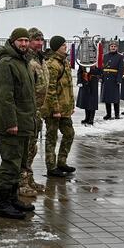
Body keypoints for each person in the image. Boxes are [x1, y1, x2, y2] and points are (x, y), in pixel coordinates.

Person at [0, 28, 37, 219]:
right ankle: (3, 204)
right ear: (12, 42)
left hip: (25, 123)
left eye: (26, 40)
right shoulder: (7, 63)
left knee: (18, 164)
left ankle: (12, 199)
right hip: (13, 125)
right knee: (9, 164)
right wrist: (10, 122)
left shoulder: (24, 62)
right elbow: (5, 97)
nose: (24, 44)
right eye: (20, 40)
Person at [20, 27, 49, 197]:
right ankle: (21, 182)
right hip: (28, 111)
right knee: (25, 148)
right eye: (35, 40)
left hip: (38, 111)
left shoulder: (40, 59)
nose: (39, 43)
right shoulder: (27, 61)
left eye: (41, 40)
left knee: (32, 148)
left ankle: (29, 178)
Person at [43, 35, 76, 177]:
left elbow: (68, 86)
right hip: (53, 109)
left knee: (69, 134)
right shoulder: (52, 64)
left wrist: (71, 105)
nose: (65, 47)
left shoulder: (65, 62)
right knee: (52, 137)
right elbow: (50, 89)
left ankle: (62, 162)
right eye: (63, 45)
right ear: (57, 47)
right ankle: (51, 167)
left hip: (64, 108)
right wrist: (55, 109)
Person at [76, 53, 102, 125]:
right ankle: (87, 117)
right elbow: (79, 72)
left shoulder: (96, 62)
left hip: (93, 83)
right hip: (84, 82)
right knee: (86, 101)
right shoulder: (83, 62)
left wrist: (90, 71)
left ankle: (91, 118)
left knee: (92, 101)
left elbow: (100, 72)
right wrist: (79, 81)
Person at [101, 40, 124, 120]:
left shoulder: (120, 57)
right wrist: (101, 77)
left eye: (115, 46)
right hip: (106, 79)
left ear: (117, 48)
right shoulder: (105, 56)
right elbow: (102, 67)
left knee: (115, 98)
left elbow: (121, 69)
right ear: (109, 47)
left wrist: (119, 79)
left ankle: (117, 114)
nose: (113, 48)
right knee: (107, 98)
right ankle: (108, 114)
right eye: (112, 46)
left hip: (114, 79)